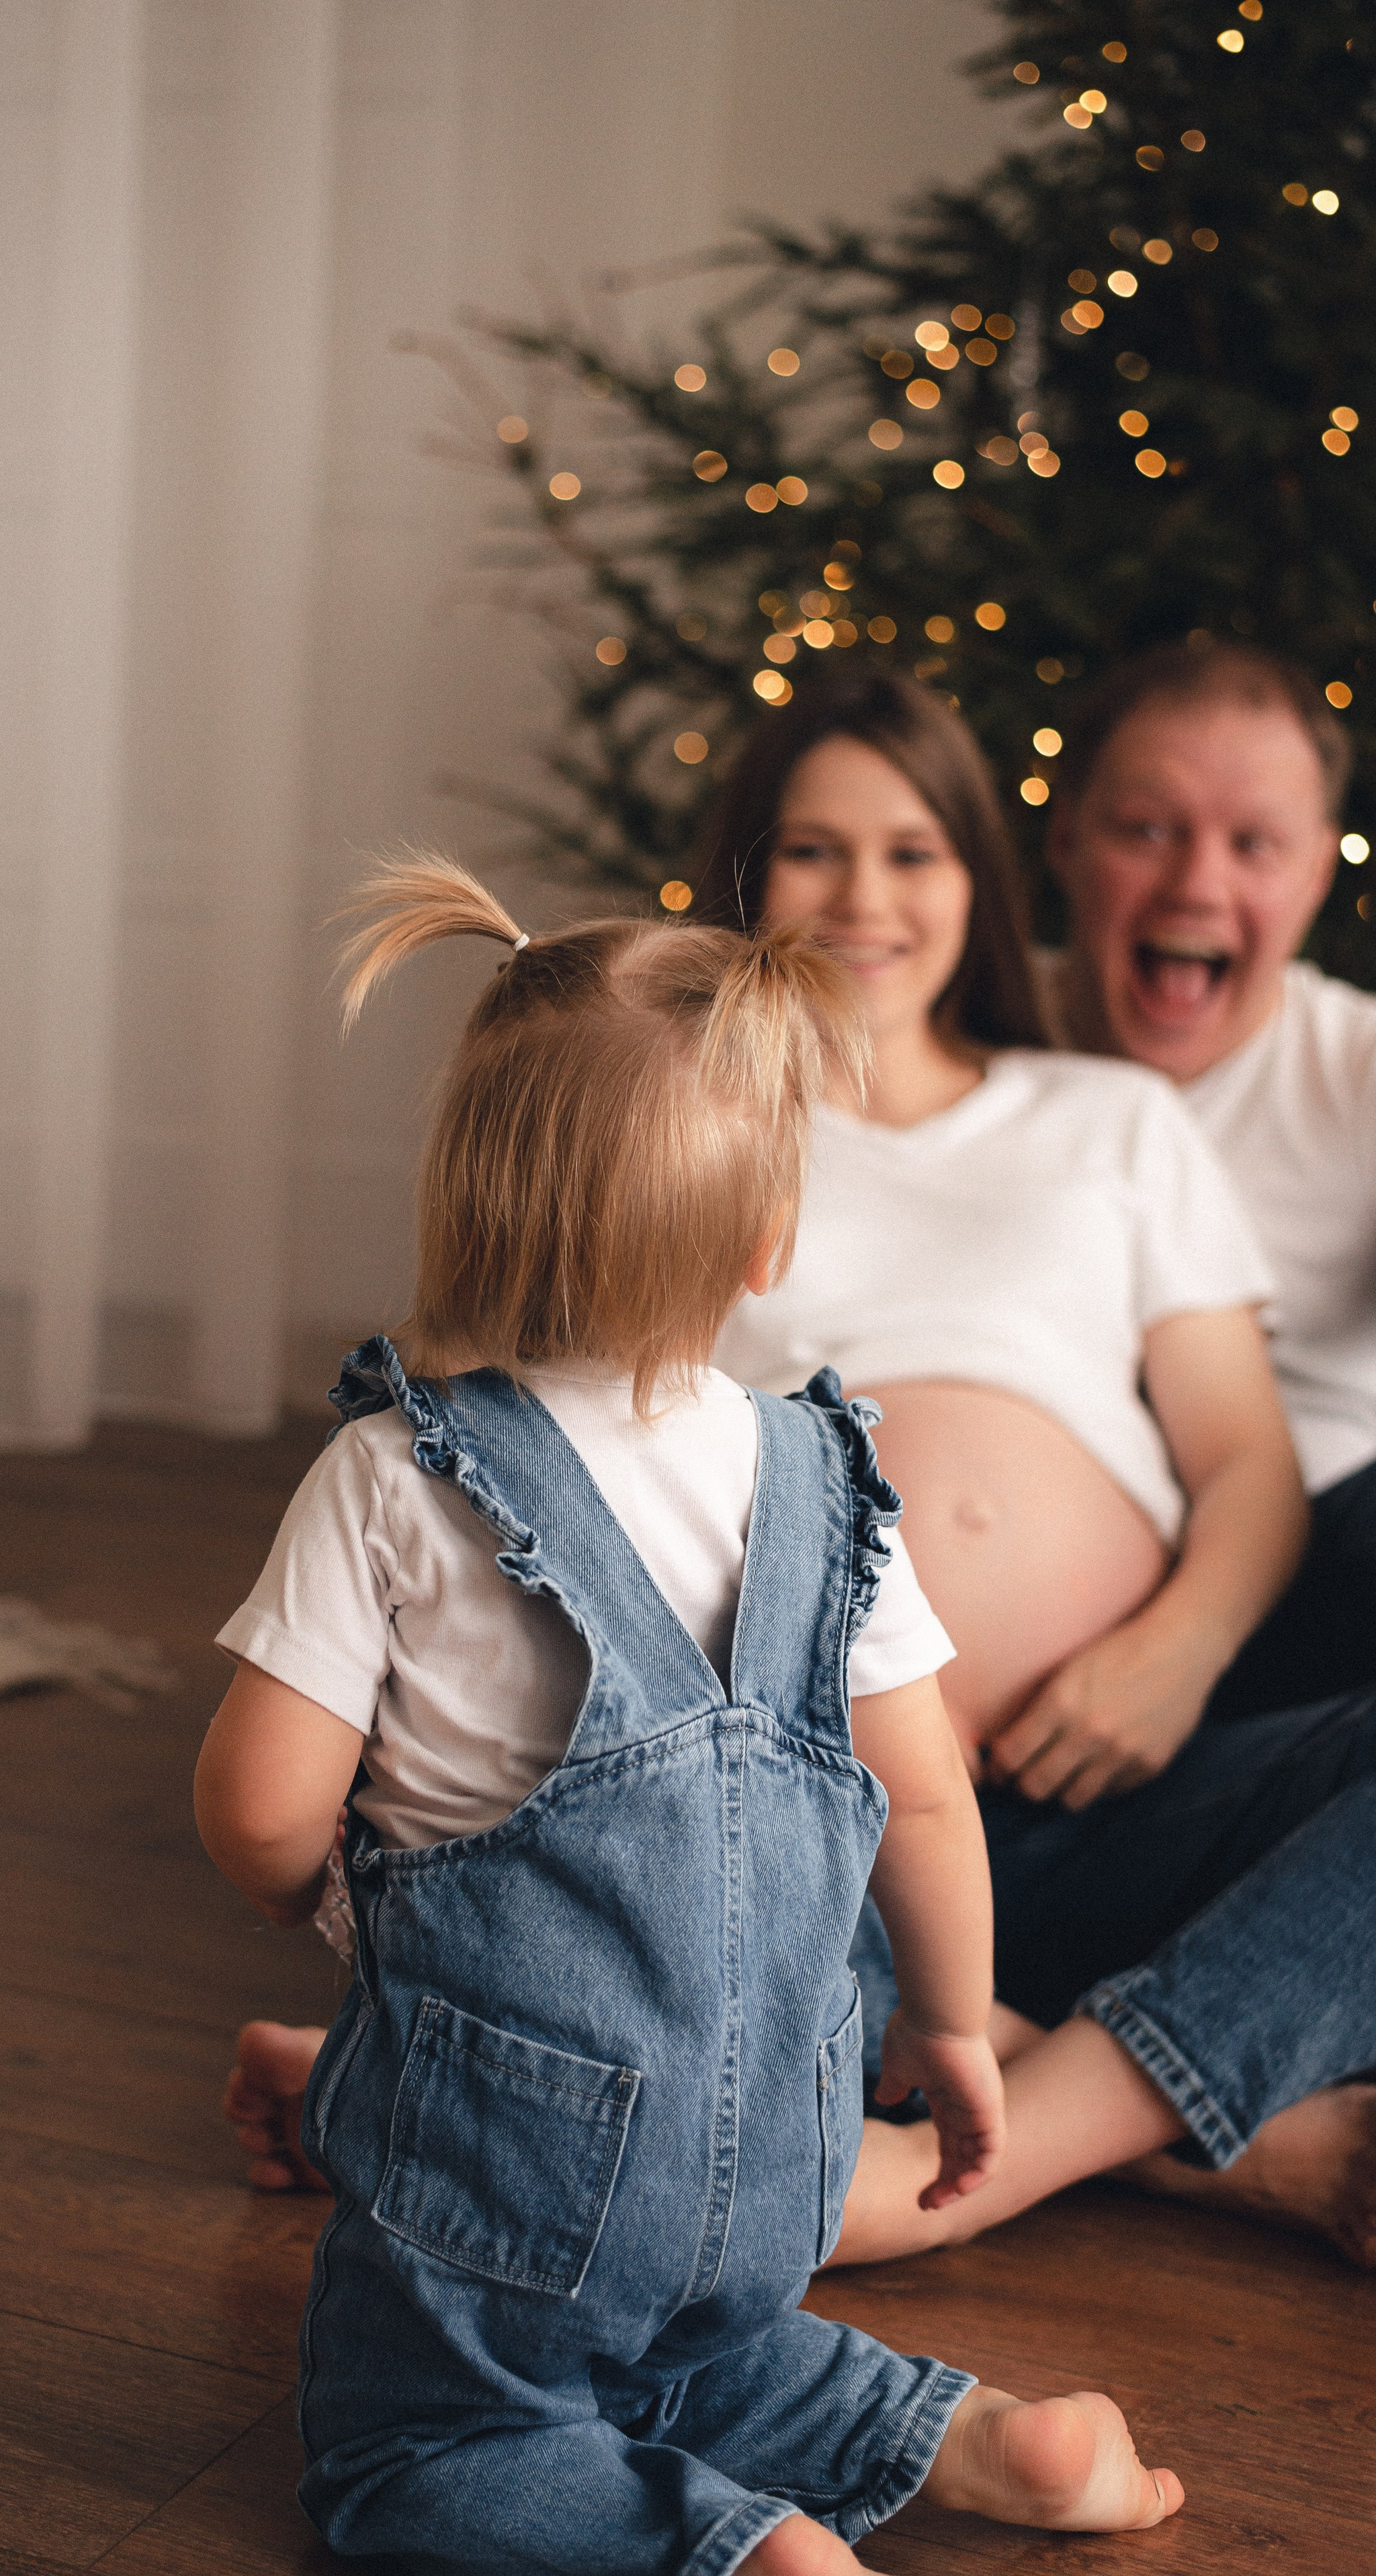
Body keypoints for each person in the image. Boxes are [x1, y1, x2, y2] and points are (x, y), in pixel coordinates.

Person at [194, 855, 1180, 2571]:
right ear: (764, 1241)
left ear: (463, 1199)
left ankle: (734, 2553)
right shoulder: (824, 1478)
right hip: (783, 2151)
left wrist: (308, 1893)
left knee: (414, 2442)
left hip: (507, 2164)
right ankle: (985, 2442)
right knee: (695, 2351)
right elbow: (921, 1798)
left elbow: (258, 1805)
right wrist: (952, 2030)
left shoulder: (395, 1476)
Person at [696, 669, 1376, 2267]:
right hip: (827, 1804)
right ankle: (1199, 2140)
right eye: (811, 850)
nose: (863, 899)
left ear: (978, 878)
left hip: (1104, 1789)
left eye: (912, 852)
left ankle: (983, 2130)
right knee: (670, 1901)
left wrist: (1172, 1654)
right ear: (743, 873)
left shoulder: (1109, 1119)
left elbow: (1242, 1461)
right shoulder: (690, 1129)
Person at [1044, 641, 1376, 1718]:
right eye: (1147, 830)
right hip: (1044, 1589)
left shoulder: (1356, 1069)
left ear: (1319, 872)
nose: (1197, 884)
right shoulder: (968, 1043)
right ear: (1065, 836)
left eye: (1256, 845)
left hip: (1328, 1571)